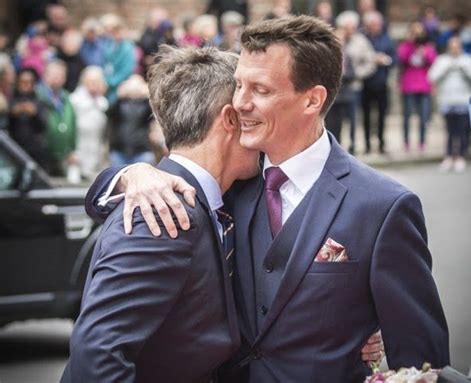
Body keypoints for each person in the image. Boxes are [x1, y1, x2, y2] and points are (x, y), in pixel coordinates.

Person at [86, 16, 449, 382]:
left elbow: (421, 361)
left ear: (312, 100)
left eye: (259, 89)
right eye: (238, 85)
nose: (239, 103)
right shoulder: (229, 183)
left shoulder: (383, 207)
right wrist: (130, 174)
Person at [61, 45, 254, 383]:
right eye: (249, 108)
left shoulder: (223, 195)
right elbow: (98, 356)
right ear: (230, 119)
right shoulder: (160, 215)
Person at [429, 35, 471, 173]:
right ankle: (448, 157)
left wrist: (464, 70)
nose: (454, 49)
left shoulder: (468, 60)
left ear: (460, 47)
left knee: (462, 131)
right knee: (450, 131)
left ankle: (460, 156)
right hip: (447, 101)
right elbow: (431, 77)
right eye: (452, 47)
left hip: (463, 101)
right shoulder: (442, 60)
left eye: (457, 47)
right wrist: (446, 70)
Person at [335, 10, 376, 154]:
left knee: (353, 119)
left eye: (353, 26)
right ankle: (337, 146)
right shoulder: (336, 40)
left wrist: (357, 74)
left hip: (354, 86)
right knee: (337, 121)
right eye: (347, 27)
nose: (350, 30)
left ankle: (352, 146)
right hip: (337, 88)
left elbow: (371, 61)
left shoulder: (361, 41)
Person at [397, 21, 437, 152]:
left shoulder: (427, 47)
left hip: (424, 85)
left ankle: (422, 141)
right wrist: (409, 43)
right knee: (407, 115)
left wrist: (424, 51)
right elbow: (401, 57)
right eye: (414, 32)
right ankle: (406, 141)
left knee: (424, 115)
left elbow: (433, 61)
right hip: (409, 84)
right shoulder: (406, 46)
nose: (417, 35)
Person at [361, 11, 395, 154]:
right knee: (366, 116)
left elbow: (395, 58)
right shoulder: (362, 39)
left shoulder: (387, 39)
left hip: (382, 83)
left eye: (378, 24)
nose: (376, 27)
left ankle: (381, 143)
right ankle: (367, 144)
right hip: (366, 83)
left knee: (382, 115)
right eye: (373, 24)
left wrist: (386, 60)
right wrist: (372, 59)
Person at [36, 59, 77, 176]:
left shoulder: (66, 97)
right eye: (54, 74)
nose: (57, 78)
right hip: (43, 154)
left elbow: (72, 124)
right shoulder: (38, 95)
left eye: (61, 75)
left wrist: (72, 149)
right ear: (45, 75)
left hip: (62, 156)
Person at [106, 74, 155, 167]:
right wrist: (119, 96)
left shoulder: (146, 105)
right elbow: (109, 113)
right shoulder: (120, 104)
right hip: (119, 150)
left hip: (142, 150)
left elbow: (155, 113)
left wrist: (148, 95)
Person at [70, 66, 108, 179]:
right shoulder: (74, 100)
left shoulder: (103, 103)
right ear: (83, 81)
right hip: (77, 151)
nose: (94, 84)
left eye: (97, 81)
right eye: (91, 81)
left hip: (96, 152)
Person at [8, 68, 49, 169]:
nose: (26, 85)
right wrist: (12, 113)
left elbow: (44, 126)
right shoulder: (10, 100)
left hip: (35, 150)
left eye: (29, 82)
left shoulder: (39, 102)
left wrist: (35, 114)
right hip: (14, 148)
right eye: (23, 82)